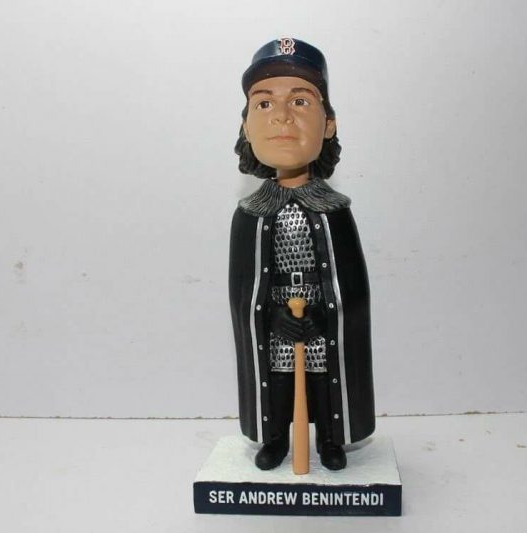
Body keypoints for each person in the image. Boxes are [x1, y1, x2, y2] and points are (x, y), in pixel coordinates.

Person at [229, 38, 375, 471]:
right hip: (274, 320)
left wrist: (326, 315)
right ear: (246, 127)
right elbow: (242, 289)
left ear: (328, 124)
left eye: (300, 101)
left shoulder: (334, 210)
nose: (282, 116)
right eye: (264, 104)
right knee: (274, 377)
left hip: (322, 318)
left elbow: (352, 285)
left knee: (325, 377)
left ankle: (330, 438)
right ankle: (275, 437)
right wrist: (270, 316)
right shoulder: (250, 214)